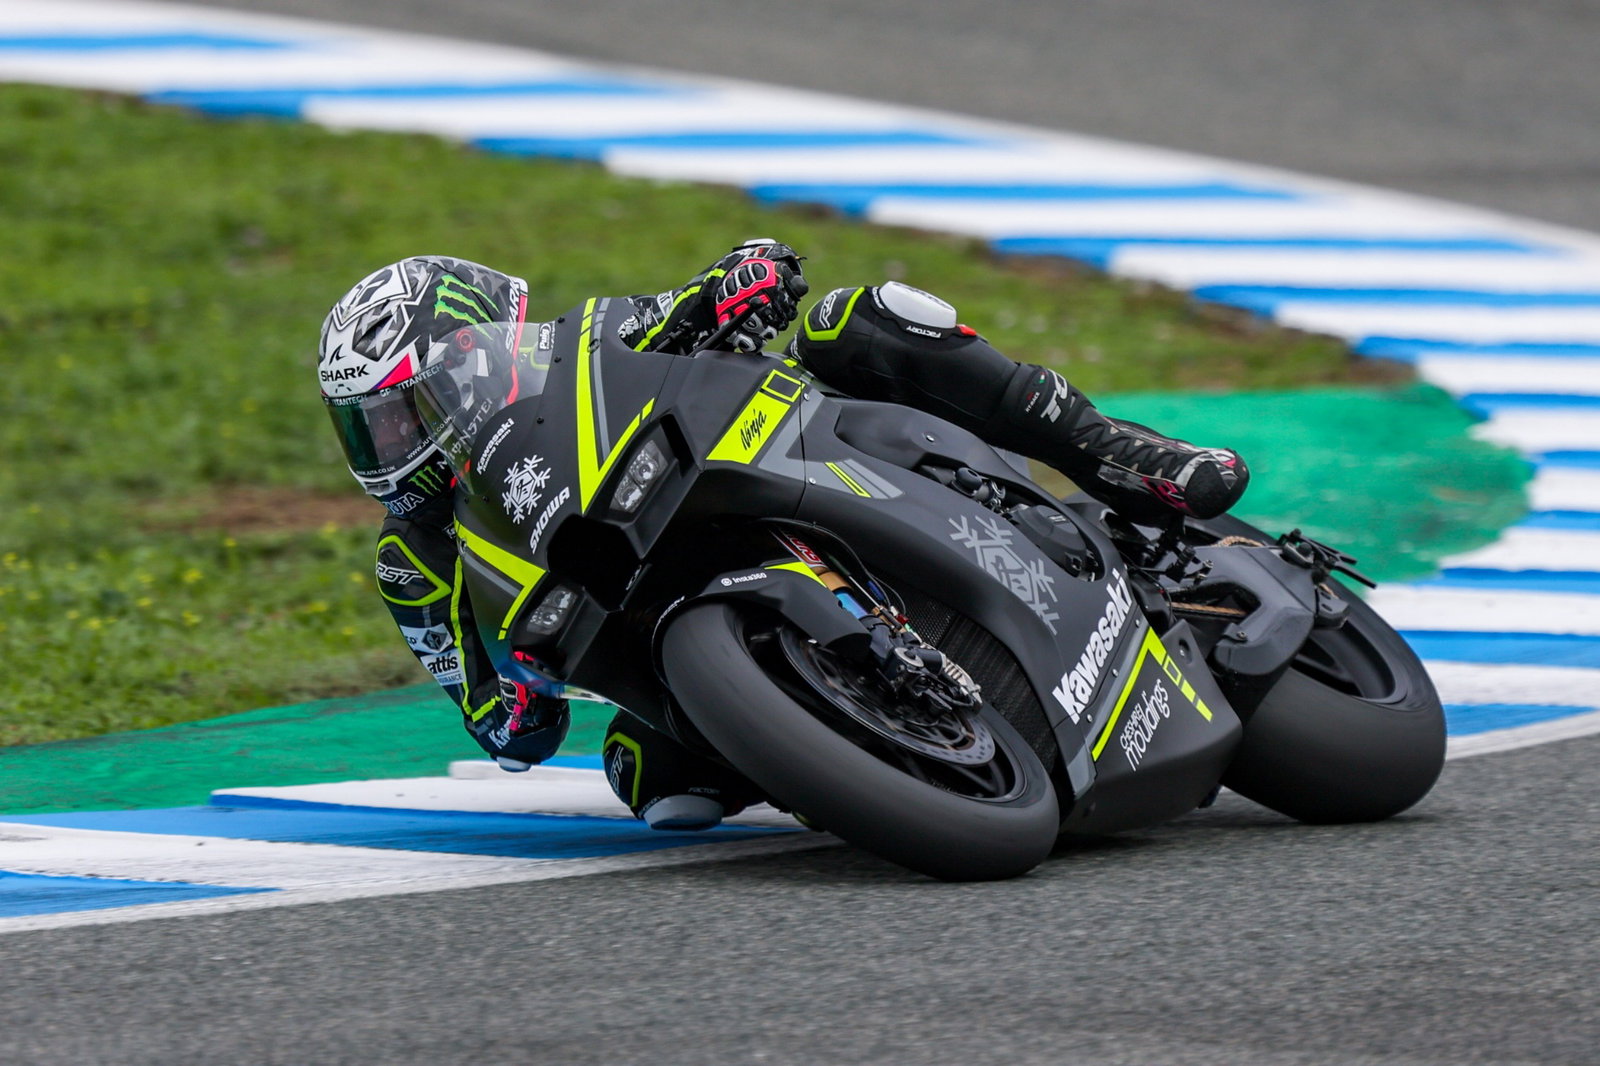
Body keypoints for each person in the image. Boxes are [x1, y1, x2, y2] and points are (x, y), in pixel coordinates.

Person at [316, 242, 1248, 830]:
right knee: (649, 776)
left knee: (867, 317)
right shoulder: (413, 559)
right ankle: (864, 745)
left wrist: (738, 281)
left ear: (476, 352)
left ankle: (1118, 452)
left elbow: (682, 309)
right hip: (635, 621)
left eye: (402, 413)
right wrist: (516, 691)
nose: (392, 446)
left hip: (766, 464)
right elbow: (497, 722)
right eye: (370, 428)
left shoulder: (579, 344)